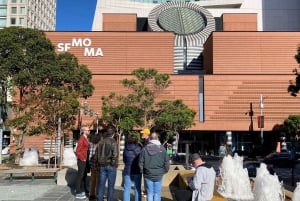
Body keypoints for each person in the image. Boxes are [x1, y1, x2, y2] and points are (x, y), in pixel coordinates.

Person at [139, 132, 170, 201]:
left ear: (150, 138)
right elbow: (167, 162)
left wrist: (143, 171)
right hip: (159, 174)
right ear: (157, 138)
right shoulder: (163, 149)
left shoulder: (144, 149)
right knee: (157, 193)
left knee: (149, 193)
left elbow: (140, 162)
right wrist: (164, 171)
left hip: (148, 174)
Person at [95, 128, 118, 201]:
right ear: (113, 134)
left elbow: (96, 154)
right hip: (110, 165)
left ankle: (99, 199)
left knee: (101, 185)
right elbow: (115, 154)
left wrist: (98, 163)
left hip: (102, 165)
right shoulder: (113, 142)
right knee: (111, 186)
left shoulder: (100, 142)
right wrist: (113, 163)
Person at [123, 135, 142, 201]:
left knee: (127, 189)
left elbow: (124, 160)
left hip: (127, 170)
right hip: (137, 170)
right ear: (136, 141)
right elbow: (141, 160)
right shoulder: (140, 148)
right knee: (137, 189)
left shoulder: (126, 149)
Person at [75, 126, 90, 199]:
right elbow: (77, 151)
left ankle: (84, 189)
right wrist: (82, 158)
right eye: (88, 130)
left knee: (84, 176)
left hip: (85, 160)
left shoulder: (86, 139)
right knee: (80, 176)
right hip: (82, 160)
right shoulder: (81, 139)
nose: (89, 131)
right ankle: (77, 192)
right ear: (84, 131)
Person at [89, 134, 102, 201]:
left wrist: (90, 164)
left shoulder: (91, 144)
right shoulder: (100, 145)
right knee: (98, 181)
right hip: (97, 165)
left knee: (93, 180)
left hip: (92, 165)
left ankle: (91, 195)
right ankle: (97, 194)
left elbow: (90, 156)